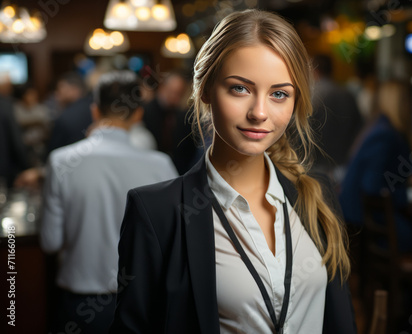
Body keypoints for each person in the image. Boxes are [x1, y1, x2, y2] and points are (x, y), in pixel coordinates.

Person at [110, 9, 356, 334]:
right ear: (206, 90)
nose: (259, 113)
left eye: (279, 94)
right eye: (240, 89)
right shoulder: (157, 214)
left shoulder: (317, 194)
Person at [40, 71, 178, 334]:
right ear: (138, 115)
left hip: (80, 302)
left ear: (95, 111)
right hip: (144, 301)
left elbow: (50, 242)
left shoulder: (61, 162)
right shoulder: (161, 166)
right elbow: (171, 244)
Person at [340, 81, 412, 252]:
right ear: (404, 103)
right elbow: (373, 188)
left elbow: (381, 173)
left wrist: (410, 180)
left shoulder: (379, 126)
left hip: (360, 216)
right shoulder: (386, 135)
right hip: (364, 220)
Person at [311, 54, 364, 186]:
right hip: (344, 163)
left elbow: (305, 132)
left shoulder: (312, 96)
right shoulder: (347, 94)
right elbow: (359, 128)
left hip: (318, 163)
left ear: (315, 70)